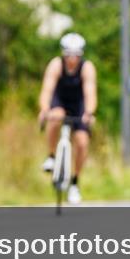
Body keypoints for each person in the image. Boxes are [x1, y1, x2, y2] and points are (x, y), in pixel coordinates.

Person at [38, 32, 97, 205]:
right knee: (56, 117)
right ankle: (51, 155)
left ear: (81, 54)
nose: (72, 59)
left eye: (76, 55)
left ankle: (75, 183)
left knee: (82, 141)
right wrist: (44, 109)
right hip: (60, 101)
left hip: (79, 104)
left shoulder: (87, 67)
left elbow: (90, 93)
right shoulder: (55, 65)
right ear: (63, 54)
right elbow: (47, 90)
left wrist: (89, 113)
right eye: (69, 54)